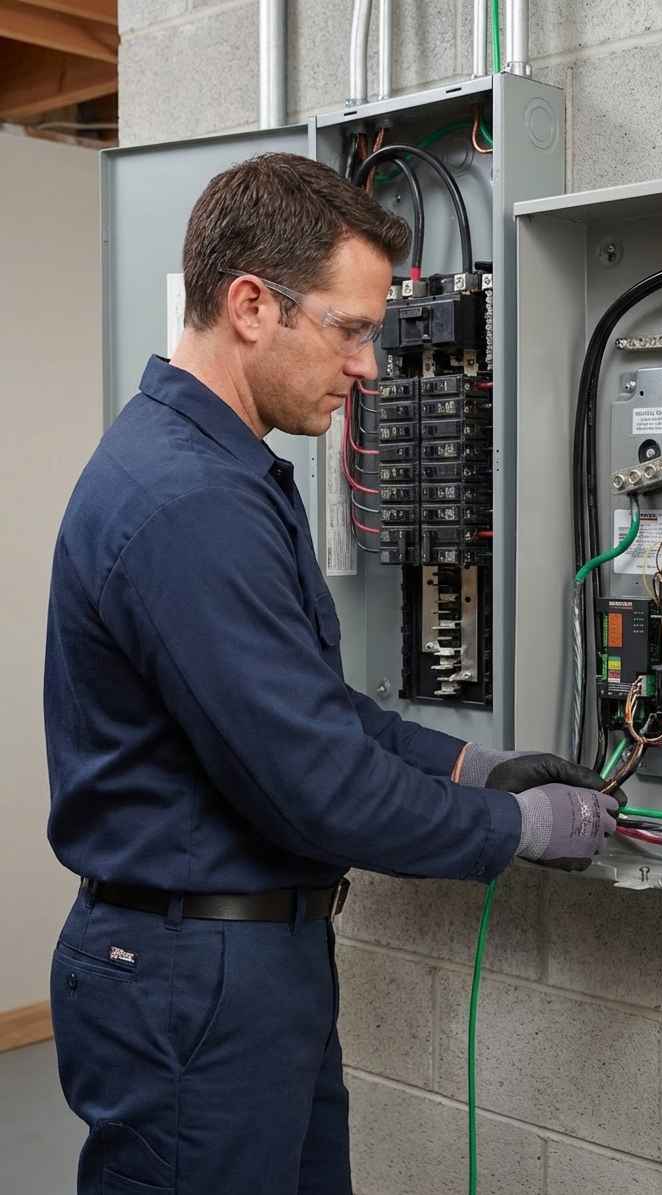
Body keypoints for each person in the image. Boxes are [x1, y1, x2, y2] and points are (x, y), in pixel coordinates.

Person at [43, 152, 619, 1195]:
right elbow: (318, 785)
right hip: (192, 982)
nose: (367, 368)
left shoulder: (217, 470)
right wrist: (517, 830)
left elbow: (315, 707)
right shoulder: (187, 503)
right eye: (350, 330)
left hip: (242, 965)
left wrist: (469, 767)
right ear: (251, 305)